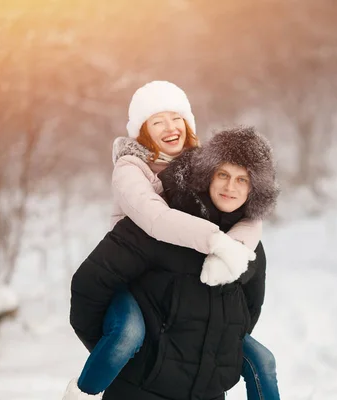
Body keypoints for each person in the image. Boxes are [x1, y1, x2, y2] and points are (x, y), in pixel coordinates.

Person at [62, 81, 277, 399]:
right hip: (131, 274)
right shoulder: (131, 167)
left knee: (261, 360)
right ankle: (83, 393)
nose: (170, 127)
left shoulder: (205, 166)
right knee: (128, 334)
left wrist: (235, 250)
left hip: (187, 300)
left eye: (176, 117)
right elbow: (156, 220)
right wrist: (216, 242)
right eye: (157, 120)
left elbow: (248, 214)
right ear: (143, 130)